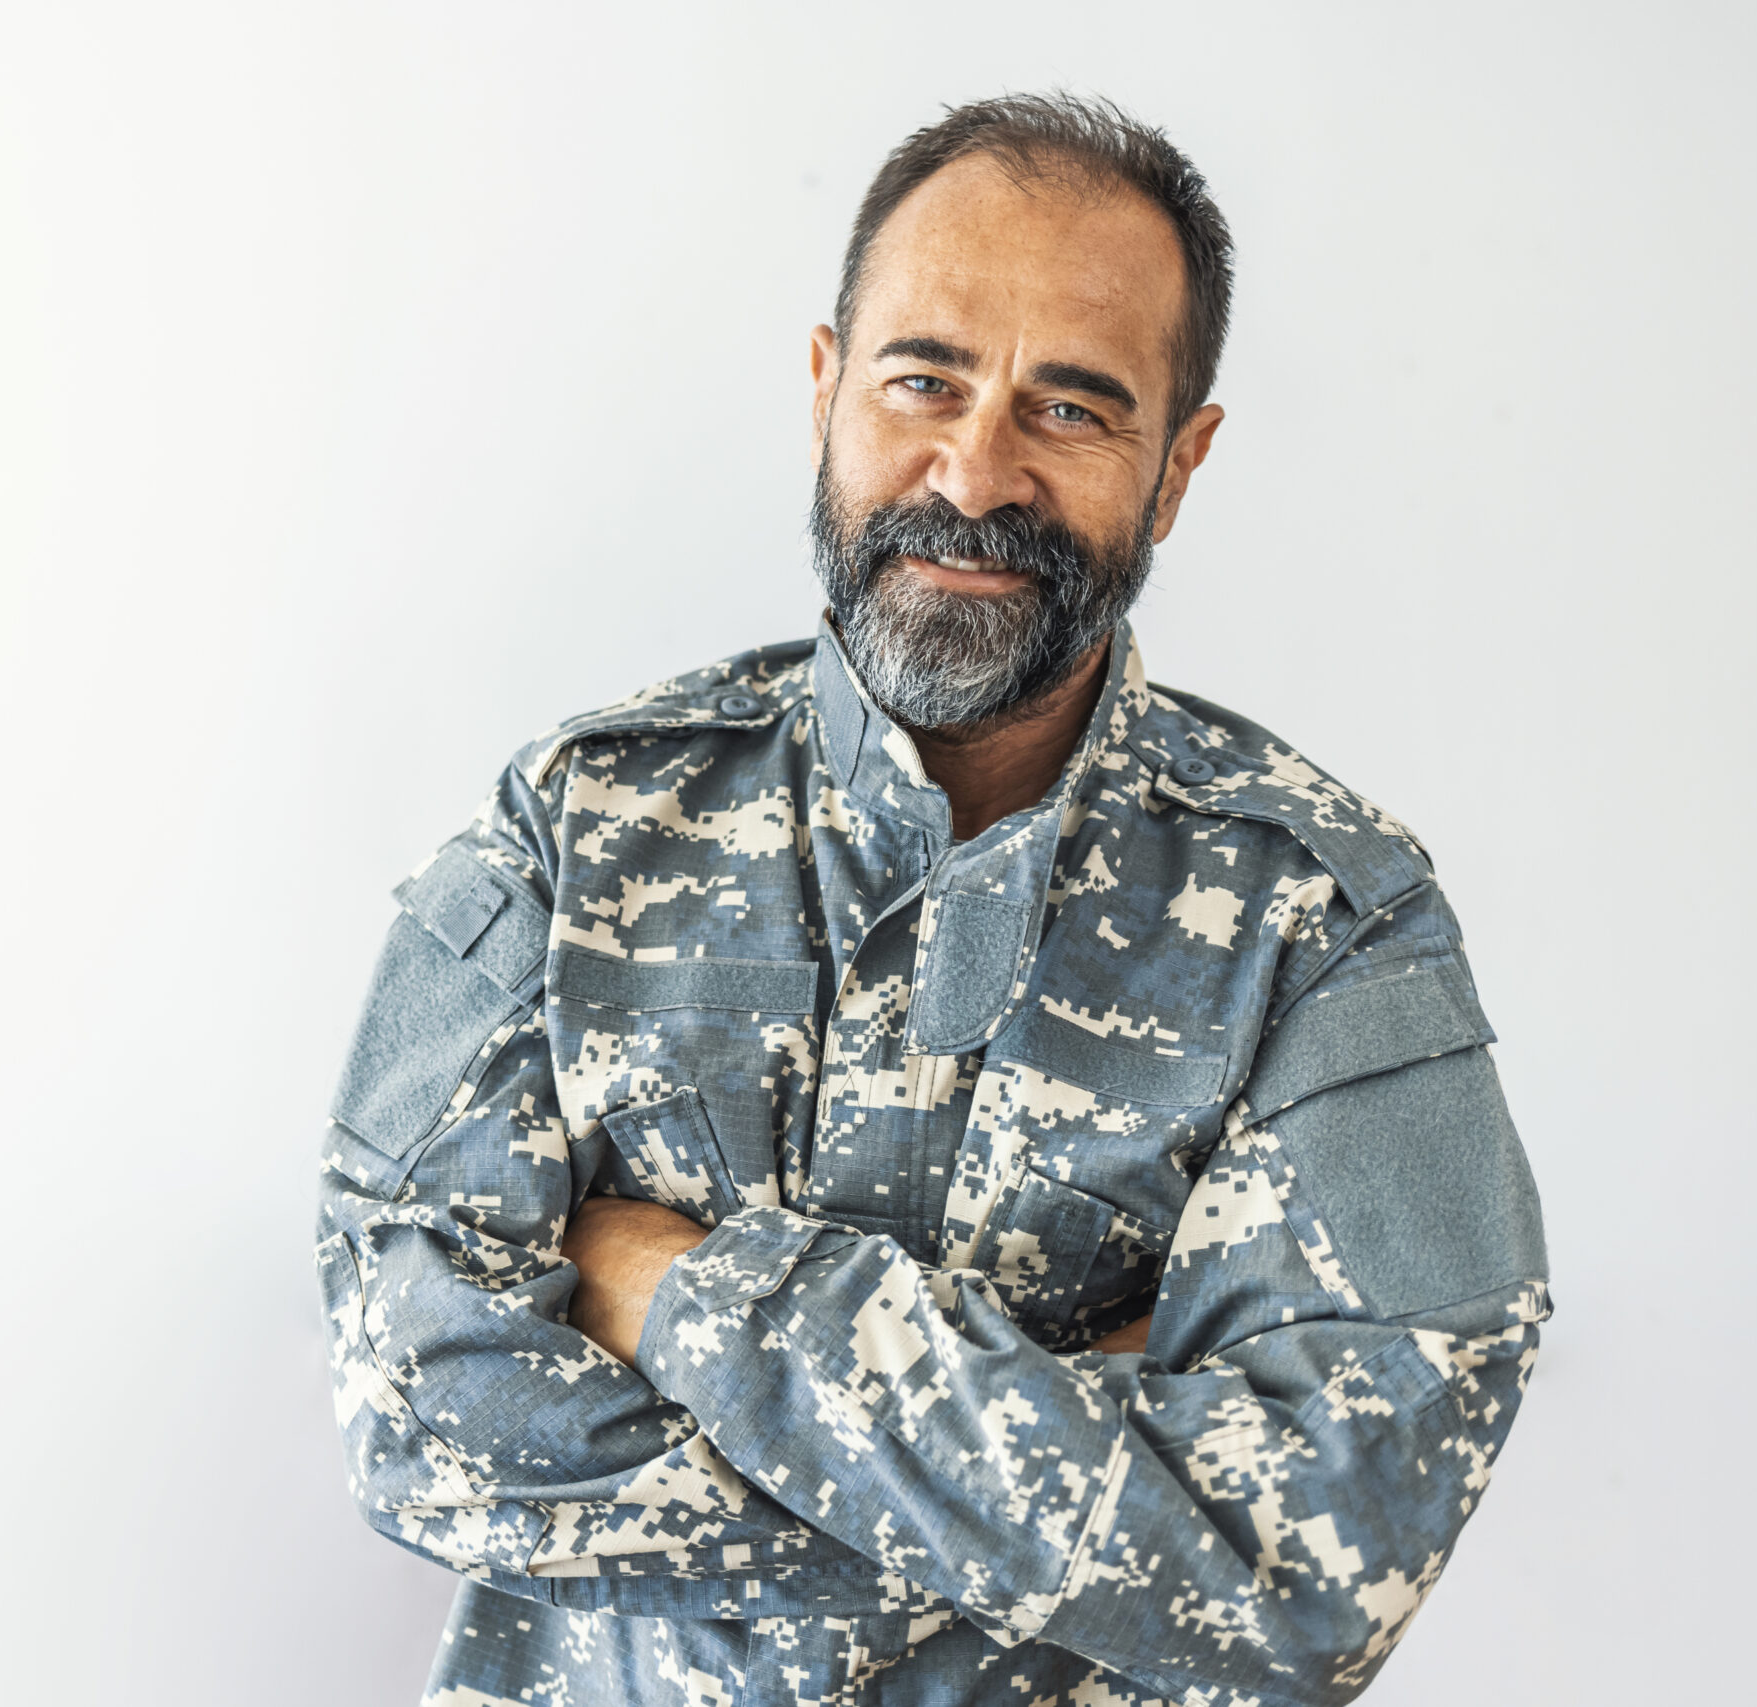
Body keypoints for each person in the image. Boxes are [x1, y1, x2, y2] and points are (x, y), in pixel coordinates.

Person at [315, 91, 1548, 1707]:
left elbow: (1319, 1564)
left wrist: (681, 1289)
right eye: (925, 379)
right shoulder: (572, 830)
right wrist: (1070, 1482)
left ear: (1178, 465)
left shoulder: (1328, 924)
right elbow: (412, 1424)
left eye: (1073, 409)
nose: (976, 475)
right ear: (826, 388)